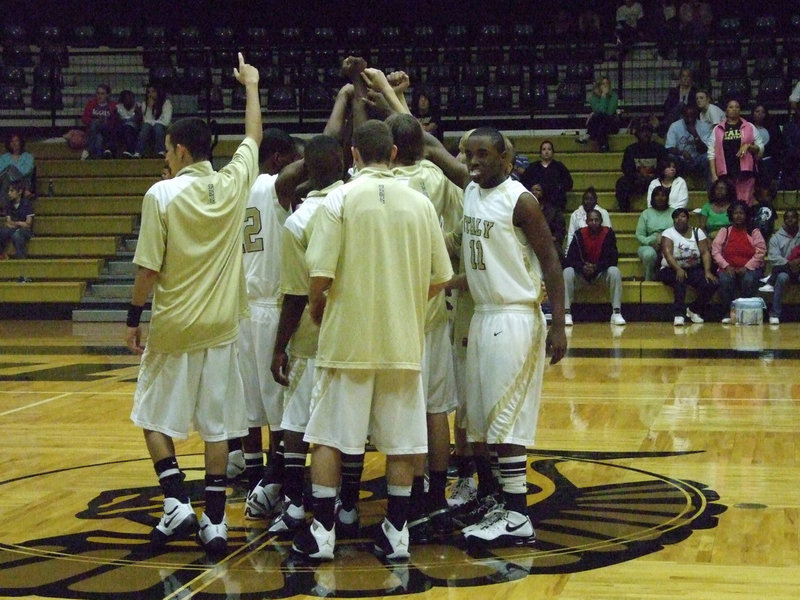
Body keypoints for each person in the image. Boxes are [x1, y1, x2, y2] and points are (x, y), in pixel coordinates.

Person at [291, 119, 453, 561]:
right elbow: (440, 279)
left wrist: (321, 307)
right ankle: (397, 533)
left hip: (348, 341)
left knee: (328, 435)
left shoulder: (340, 199)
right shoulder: (420, 203)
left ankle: (323, 532)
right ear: (395, 154)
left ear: (353, 156)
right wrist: (403, 304)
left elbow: (319, 277)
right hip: (402, 340)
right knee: (402, 439)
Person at [125, 53, 262, 555]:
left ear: (179, 150)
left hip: (174, 327)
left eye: (167, 147)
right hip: (223, 328)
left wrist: (132, 318)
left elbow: (147, 272)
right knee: (219, 427)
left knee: (151, 419)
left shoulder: (161, 195)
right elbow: (254, 139)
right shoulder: (233, 183)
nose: (166, 155)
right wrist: (251, 86)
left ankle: (176, 501)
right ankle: (218, 522)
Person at [458, 127, 566, 546]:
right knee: (484, 422)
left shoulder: (520, 201)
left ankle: (519, 518)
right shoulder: (470, 190)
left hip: (515, 316)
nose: (474, 162)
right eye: (470, 155)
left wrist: (558, 323)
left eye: (484, 155)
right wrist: (388, 93)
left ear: (506, 158)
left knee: (507, 422)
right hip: (484, 316)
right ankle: (505, 504)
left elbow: (552, 264)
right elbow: (422, 143)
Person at [388, 113, 463, 543]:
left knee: (404, 409)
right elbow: (455, 236)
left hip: (394, 311)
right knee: (436, 408)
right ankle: (435, 495)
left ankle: (408, 494)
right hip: (434, 305)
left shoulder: (377, 185)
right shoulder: (437, 180)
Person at [268, 135, 346, 535]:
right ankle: (346, 506)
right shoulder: (358, 204)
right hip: (353, 337)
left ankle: (297, 505)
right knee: (343, 427)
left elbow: (297, 295)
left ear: (308, 172)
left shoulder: (298, 220)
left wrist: (278, 347)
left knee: (298, 423)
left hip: (310, 336)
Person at [237, 128, 303, 523]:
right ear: (278, 159)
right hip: (270, 307)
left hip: (241, 307)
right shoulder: (270, 187)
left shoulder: (236, 186)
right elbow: (310, 164)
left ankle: (253, 478)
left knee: (249, 408)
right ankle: (276, 484)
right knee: (279, 410)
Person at [563, 209, 626, 326]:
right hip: (581, 275)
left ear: (601, 221)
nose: (594, 222)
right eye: (591, 220)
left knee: (615, 271)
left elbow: (613, 258)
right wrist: (582, 267)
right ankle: (566, 313)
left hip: (600, 274)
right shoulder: (579, 234)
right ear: (586, 221)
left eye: (596, 220)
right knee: (567, 272)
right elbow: (570, 259)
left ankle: (616, 312)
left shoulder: (608, 234)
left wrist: (597, 267)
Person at [659, 207, 718, 325]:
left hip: (693, 268)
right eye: (676, 217)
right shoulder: (668, 233)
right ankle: (679, 314)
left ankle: (693, 309)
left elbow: (705, 252)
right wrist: (678, 269)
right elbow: (668, 254)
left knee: (711, 283)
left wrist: (707, 271)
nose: (679, 219)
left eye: (682, 216)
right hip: (670, 269)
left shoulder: (698, 232)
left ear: (688, 218)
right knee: (680, 279)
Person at [711, 200, 767, 323]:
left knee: (749, 279)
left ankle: (746, 313)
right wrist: (726, 266)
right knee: (725, 280)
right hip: (728, 268)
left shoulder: (753, 231)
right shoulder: (724, 231)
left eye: (741, 213)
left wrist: (747, 267)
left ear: (746, 215)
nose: (738, 216)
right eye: (735, 213)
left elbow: (761, 251)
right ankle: (728, 312)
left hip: (750, 268)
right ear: (731, 215)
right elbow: (715, 251)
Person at [708, 98, 764, 206]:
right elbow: (711, 153)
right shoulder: (718, 129)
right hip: (725, 172)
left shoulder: (749, 126)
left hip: (746, 172)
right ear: (726, 111)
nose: (734, 109)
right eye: (731, 107)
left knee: (745, 203)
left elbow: (761, 147)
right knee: (729, 203)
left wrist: (748, 146)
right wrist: (714, 175)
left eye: (737, 107)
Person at [615, 120, 667, 212]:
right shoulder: (631, 150)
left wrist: (654, 176)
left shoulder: (659, 148)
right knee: (621, 183)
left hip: (656, 181)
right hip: (637, 181)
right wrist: (638, 176)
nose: (646, 134)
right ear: (638, 133)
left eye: (648, 131)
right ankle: (625, 210)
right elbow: (626, 169)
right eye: (643, 131)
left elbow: (664, 167)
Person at [760, 209, 800, 325]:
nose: (790, 220)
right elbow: (773, 257)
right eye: (787, 217)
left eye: (793, 217)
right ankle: (775, 314)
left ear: (798, 219)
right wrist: (789, 264)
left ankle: (770, 280)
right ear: (784, 220)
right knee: (781, 277)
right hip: (785, 270)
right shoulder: (776, 238)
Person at [519, 140, 573, 212]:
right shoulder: (533, 167)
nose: (546, 152)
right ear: (540, 152)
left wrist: (558, 188)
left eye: (549, 149)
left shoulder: (559, 166)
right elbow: (524, 182)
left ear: (553, 152)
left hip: (555, 203)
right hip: (535, 203)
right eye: (544, 149)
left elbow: (569, 183)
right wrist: (532, 188)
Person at [636, 185, 674, 280]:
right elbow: (639, 235)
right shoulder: (646, 213)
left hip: (670, 244)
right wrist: (652, 241)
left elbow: (679, 232)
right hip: (649, 245)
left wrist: (664, 240)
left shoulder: (674, 212)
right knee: (649, 255)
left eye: (663, 195)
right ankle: (648, 280)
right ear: (653, 197)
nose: (660, 198)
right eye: (657, 195)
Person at [665, 104, 710, 181]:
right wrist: (681, 152)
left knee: (708, 157)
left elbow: (705, 150)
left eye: (692, 116)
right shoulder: (675, 126)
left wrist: (695, 135)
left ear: (696, 116)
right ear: (683, 116)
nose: (690, 119)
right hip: (681, 161)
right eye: (687, 117)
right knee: (671, 156)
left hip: (697, 160)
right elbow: (669, 148)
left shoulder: (704, 126)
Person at [566, 186, 612, 252]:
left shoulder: (603, 213)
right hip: (580, 249)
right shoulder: (575, 215)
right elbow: (571, 236)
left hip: (599, 249)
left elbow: (608, 234)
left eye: (591, 199)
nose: (588, 201)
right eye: (586, 199)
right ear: (582, 200)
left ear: (595, 200)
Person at [134, 84, 173, 158]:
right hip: (149, 127)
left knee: (158, 127)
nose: (150, 94)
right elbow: (146, 120)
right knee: (146, 127)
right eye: (148, 92)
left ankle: (161, 151)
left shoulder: (166, 103)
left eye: (153, 92)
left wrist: (155, 121)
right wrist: (149, 108)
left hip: (163, 127)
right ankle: (138, 152)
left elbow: (166, 121)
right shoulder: (145, 104)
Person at [81, 84, 117, 160]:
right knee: (98, 138)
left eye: (102, 93)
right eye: (98, 93)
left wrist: (102, 122)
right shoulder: (91, 104)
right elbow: (84, 119)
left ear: (107, 95)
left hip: (107, 131)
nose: (99, 96)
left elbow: (114, 122)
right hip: (94, 132)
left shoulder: (113, 106)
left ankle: (88, 149)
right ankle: (98, 162)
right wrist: (95, 121)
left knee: (97, 124)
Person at [0, 180, 34, 259]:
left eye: (12, 191)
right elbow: (8, 222)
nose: (9, 193)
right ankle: (1, 254)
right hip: (13, 229)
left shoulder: (27, 204)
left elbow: (28, 224)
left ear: (19, 192)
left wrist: (16, 223)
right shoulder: (9, 205)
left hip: (26, 231)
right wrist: (19, 224)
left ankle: (21, 257)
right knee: (2, 232)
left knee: (17, 235)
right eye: (8, 191)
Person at [586, 76, 619, 152]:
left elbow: (609, 112)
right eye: (603, 84)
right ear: (598, 86)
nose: (605, 86)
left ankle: (589, 135)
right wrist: (603, 96)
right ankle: (604, 145)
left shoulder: (614, 96)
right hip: (601, 125)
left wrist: (594, 113)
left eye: (607, 83)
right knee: (599, 118)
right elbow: (601, 111)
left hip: (611, 124)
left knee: (600, 117)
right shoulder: (593, 98)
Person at [661, 68, 697, 135]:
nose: (686, 78)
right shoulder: (673, 92)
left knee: (682, 106)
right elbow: (667, 107)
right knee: (679, 107)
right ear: (680, 78)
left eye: (688, 76)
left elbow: (695, 107)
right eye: (683, 76)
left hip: (689, 117)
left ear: (691, 78)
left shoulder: (695, 92)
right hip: (675, 117)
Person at [0, 132, 35, 201]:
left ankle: (4, 207)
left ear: (20, 143)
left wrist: (12, 170)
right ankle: (25, 190)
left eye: (16, 141)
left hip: (22, 183)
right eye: (12, 141)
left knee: (9, 170)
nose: (14, 143)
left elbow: (26, 171)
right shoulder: (4, 157)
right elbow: (1, 172)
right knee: (7, 175)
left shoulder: (28, 156)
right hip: (10, 184)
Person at [117, 90, 141, 158]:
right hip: (122, 129)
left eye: (131, 98)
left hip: (135, 128)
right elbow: (117, 121)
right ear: (123, 100)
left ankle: (130, 150)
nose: (130, 100)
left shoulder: (137, 106)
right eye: (127, 98)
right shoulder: (118, 108)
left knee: (129, 129)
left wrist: (138, 112)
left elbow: (139, 121)